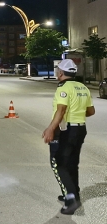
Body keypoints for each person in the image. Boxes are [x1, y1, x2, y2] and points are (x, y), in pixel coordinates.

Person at [42, 59, 95, 215]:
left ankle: (71, 199)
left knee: (59, 164)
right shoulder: (82, 87)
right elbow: (91, 111)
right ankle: (73, 193)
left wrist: (51, 129)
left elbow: (61, 110)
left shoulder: (63, 88)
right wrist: (77, 114)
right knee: (72, 163)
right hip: (80, 129)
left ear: (60, 73)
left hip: (67, 130)